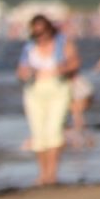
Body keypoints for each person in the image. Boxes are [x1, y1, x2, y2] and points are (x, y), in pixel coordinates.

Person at [17, 14, 79, 187]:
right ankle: (43, 174)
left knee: (53, 130)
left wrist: (62, 68)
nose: (40, 36)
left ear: (50, 30)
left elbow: (75, 62)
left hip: (58, 89)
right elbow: (20, 71)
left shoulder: (62, 43)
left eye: (43, 32)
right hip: (34, 90)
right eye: (36, 33)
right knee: (38, 134)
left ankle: (52, 174)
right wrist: (27, 73)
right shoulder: (29, 47)